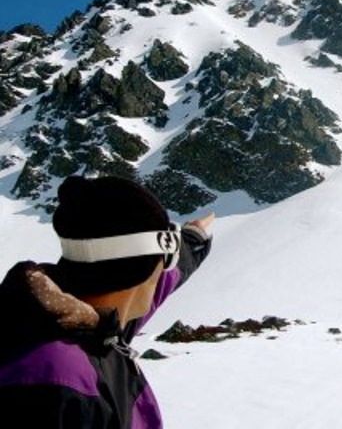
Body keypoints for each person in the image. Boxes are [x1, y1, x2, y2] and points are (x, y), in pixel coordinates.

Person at [0, 174, 214, 428]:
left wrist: (191, 239)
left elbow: (164, 280)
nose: (164, 270)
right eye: (165, 259)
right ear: (146, 269)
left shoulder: (84, 321)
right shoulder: (57, 381)